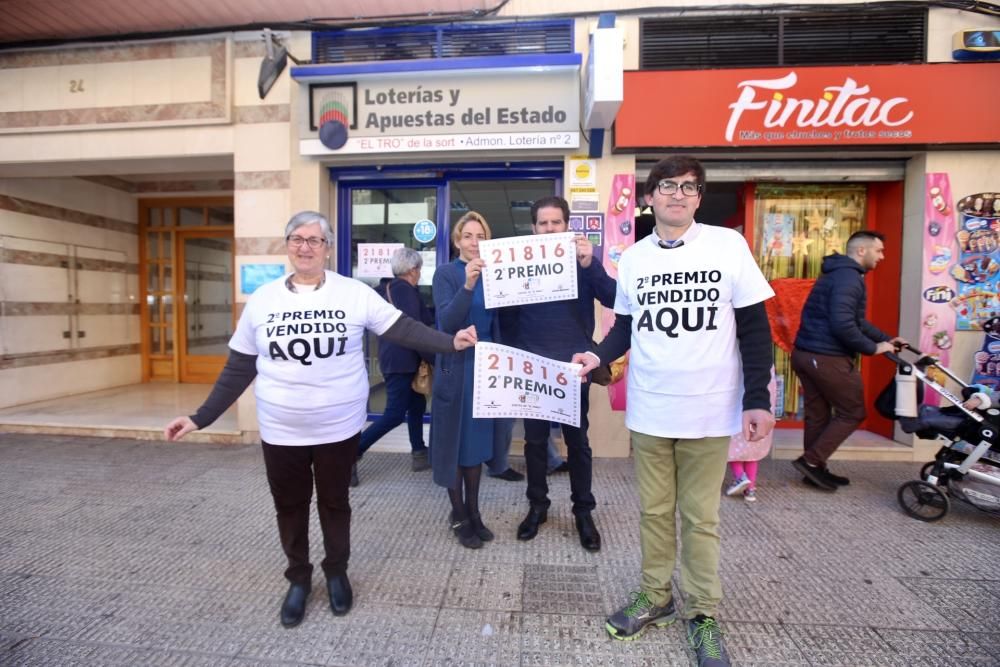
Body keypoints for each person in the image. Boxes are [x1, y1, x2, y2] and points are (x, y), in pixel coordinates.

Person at [163, 211, 476, 628]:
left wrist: (449, 342)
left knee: (334, 503)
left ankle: (336, 572)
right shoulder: (264, 299)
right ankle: (297, 579)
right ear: (288, 244)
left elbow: (404, 330)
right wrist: (200, 417)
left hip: (337, 427)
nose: (305, 246)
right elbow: (239, 367)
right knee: (289, 506)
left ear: (328, 248)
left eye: (315, 240)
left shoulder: (353, 294)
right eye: (297, 238)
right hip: (280, 429)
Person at [573, 156, 774, 666]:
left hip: (710, 410)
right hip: (650, 410)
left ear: (699, 197)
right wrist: (598, 353)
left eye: (689, 187)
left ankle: (702, 613)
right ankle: (656, 594)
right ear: (650, 196)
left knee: (700, 517)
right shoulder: (635, 258)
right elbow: (624, 327)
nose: (678, 195)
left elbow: (754, 329)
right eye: (667, 186)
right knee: (655, 512)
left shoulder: (728, 246)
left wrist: (759, 400)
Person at [506, 195, 616, 552]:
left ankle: (583, 511)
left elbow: (615, 298)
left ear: (566, 225)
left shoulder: (582, 262)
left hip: (572, 369)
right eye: (543, 223)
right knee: (535, 443)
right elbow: (507, 318)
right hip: (533, 367)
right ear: (533, 227)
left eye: (556, 223)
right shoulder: (520, 265)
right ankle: (537, 506)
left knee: (577, 443)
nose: (549, 229)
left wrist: (591, 264)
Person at [790, 230, 906, 491]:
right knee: (852, 412)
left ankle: (814, 469)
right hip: (826, 357)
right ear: (861, 251)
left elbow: (856, 320)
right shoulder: (849, 278)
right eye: (879, 251)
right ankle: (811, 461)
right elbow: (844, 325)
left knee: (818, 414)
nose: (882, 257)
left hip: (807, 354)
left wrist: (888, 339)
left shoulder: (838, 274)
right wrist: (874, 348)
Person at [430, 211, 514, 549]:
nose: (474, 242)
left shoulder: (494, 276)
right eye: (468, 236)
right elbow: (446, 322)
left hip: (486, 373)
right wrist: (467, 284)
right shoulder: (446, 274)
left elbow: (499, 323)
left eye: (480, 236)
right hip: (456, 371)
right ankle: (459, 514)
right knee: (455, 446)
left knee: (475, 448)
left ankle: (475, 513)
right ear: (456, 241)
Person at [353, 248, 434, 486]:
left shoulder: (385, 289)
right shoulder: (404, 290)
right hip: (402, 362)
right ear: (412, 270)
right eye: (419, 269)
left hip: (394, 359)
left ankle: (419, 453)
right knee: (395, 414)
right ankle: (351, 454)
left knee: (417, 405)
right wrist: (436, 357)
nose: (419, 274)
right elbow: (414, 331)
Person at [724, 367, 778, 503]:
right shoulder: (763, 366)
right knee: (752, 452)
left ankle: (740, 477)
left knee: (734, 449)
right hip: (757, 410)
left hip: (738, 409)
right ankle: (751, 489)